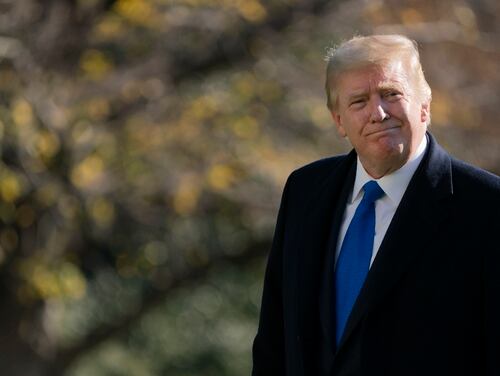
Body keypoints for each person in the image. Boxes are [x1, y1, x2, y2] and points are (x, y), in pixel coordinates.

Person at [252, 34, 500, 376]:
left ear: (425, 105)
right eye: (358, 102)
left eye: (391, 94)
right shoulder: (305, 192)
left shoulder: (486, 207)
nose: (378, 113)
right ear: (338, 120)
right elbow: (273, 344)